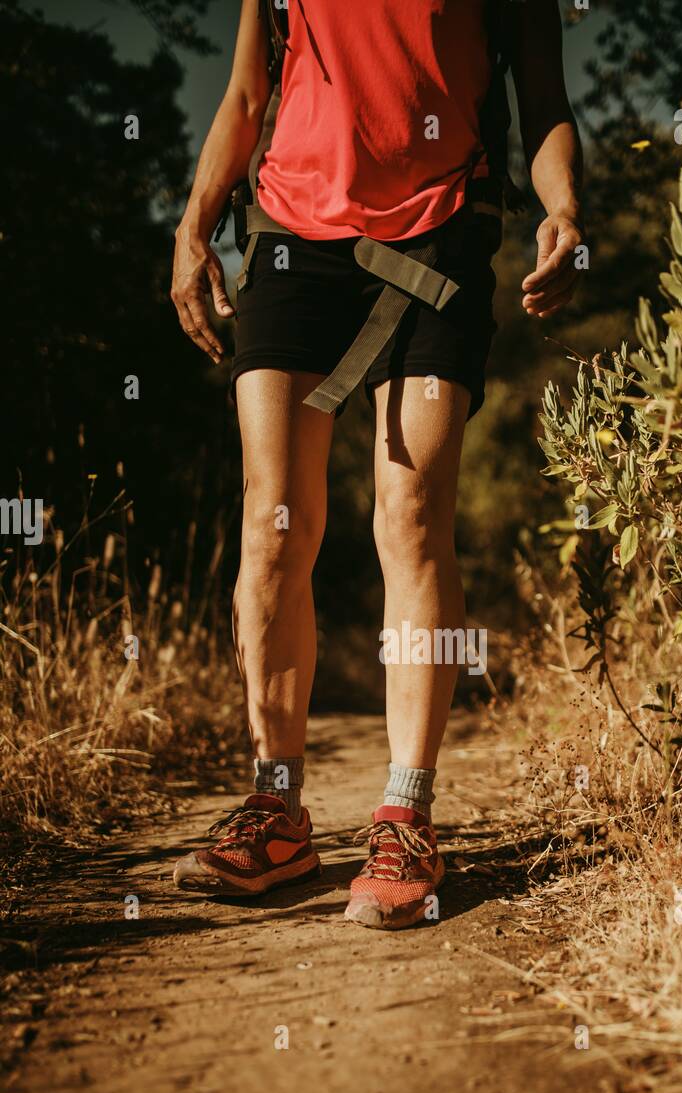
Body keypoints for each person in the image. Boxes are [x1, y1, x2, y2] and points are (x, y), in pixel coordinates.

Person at [170, 0, 583, 928]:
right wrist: (194, 225)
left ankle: (405, 811)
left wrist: (563, 209)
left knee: (408, 515)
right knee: (275, 522)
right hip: (290, 236)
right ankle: (276, 810)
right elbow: (246, 92)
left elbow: (545, 97)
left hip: (439, 233)